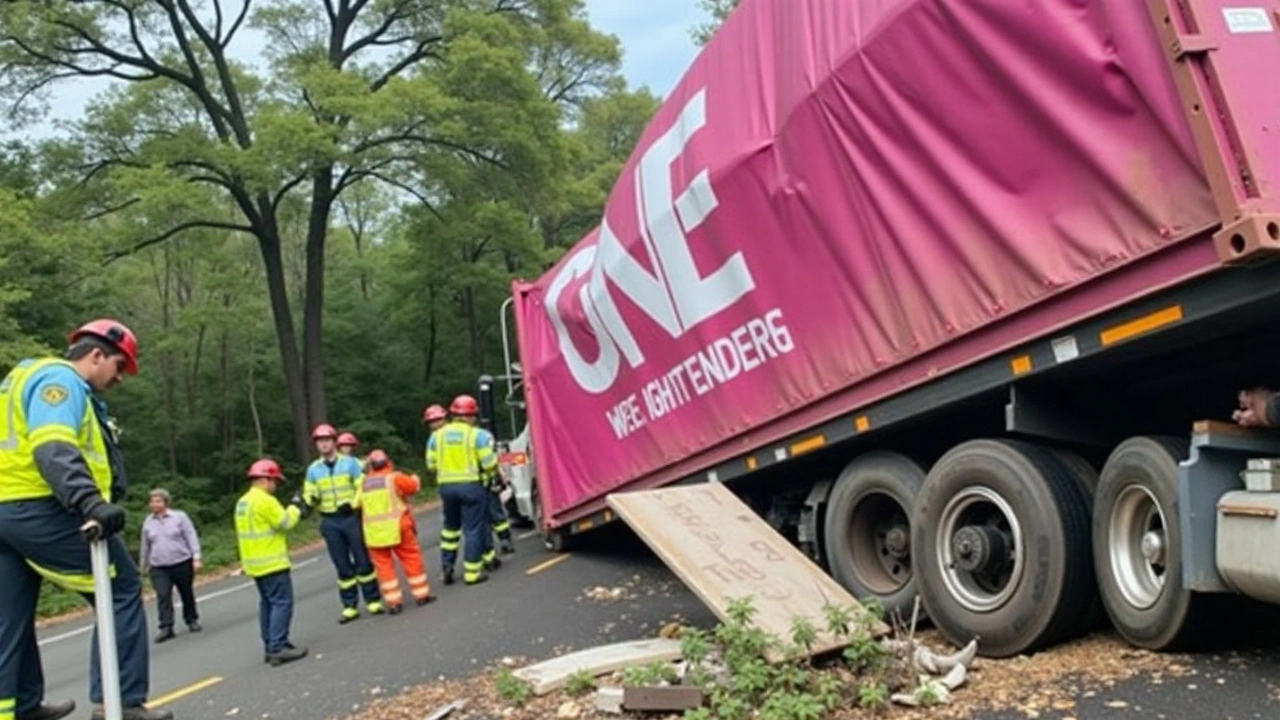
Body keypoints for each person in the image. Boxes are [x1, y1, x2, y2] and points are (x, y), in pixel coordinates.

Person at [0, 319, 173, 720]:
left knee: (11, 613)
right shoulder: (58, 383)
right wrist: (89, 501)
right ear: (96, 355)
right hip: (38, 507)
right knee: (121, 587)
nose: (120, 380)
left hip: (5, 514)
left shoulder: (20, 377)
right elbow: (52, 445)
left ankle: (18, 707)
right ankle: (121, 702)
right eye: (119, 367)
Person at [302, 424, 383, 623]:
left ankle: (373, 600)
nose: (323, 444)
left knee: (363, 560)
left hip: (350, 518)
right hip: (330, 520)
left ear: (334, 442)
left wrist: (353, 504)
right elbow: (310, 491)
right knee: (342, 564)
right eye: (320, 441)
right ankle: (349, 606)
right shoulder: (314, 469)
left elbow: (362, 486)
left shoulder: (349, 463)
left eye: (327, 440)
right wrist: (307, 502)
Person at [235, 459, 308, 667]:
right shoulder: (265, 501)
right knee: (282, 603)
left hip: (254, 563)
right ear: (266, 479)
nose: (275, 485)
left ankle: (271, 645)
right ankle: (278, 647)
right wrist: (295, 507)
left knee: (267, 603)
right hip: (272, 561)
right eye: (275, 481)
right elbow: (284, 523)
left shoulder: (243, 502)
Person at [426, 395, 499, 586]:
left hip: (446, 488)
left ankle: (447, 566)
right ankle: (472, 572)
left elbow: (430, 465)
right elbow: (489, 463)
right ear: (471, 415)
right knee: (473, 529)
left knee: (450, 529)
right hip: (471, 487)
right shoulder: (477, 435)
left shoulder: (437, 436)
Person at [357, 450, 434, 613]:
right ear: (387, 462)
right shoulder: (394, 477)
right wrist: (415, 478)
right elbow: (413, 487)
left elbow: (355, 504)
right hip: (399, 528)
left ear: (370, 465)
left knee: (384, 568)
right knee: (411, 560)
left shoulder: (363, 483)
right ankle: (421, 595)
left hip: (374, 534)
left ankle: (394, 603)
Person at [139, 488, 203, 643]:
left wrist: (196, 557)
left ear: (166, 502)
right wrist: (143, 565)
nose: (154, 504)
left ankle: (191, 619)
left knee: (186, 591)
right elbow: (145, 545)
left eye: (158, 501)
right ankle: (166, 627)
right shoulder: (148, 522)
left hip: (181, 561)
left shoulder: (179, 517)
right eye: (152, 501)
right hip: (159, 566)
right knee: (163, 595)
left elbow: (191, 536)